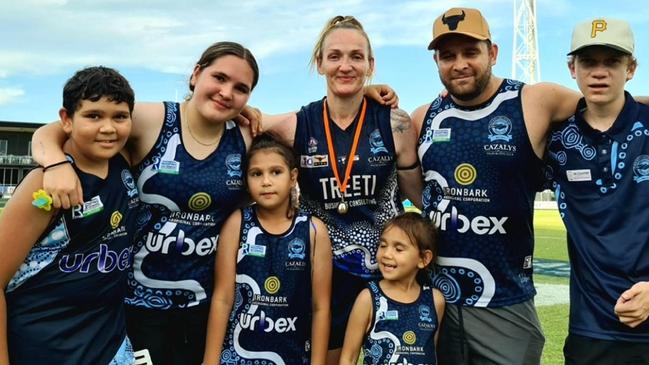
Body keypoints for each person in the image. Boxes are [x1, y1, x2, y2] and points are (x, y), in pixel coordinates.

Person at [31, 41, 259, 365]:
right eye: (219, 78)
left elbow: (317, 115)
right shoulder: (154, 118)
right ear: (196, 74)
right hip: (134, 303)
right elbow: (56, 129)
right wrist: (54, 163)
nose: (226, 92)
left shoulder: (247, 135)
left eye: (241, 88)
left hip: (204, 305)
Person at [411, 7, 591, 365]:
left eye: (470, 52)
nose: (459, 64)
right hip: (435, 302)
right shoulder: (423, 117)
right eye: (448, 56)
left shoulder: (535, 101)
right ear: (436, 62)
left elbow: (614, 109)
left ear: (492, 53)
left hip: (505, 301)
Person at [254, 15, 422, 364]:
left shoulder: (396, 122)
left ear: (370, 65)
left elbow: (419, 196)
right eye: (335, 57)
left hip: (389, 270)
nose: (345, 66)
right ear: (320, 64)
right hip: (324, 273)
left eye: (356, 57)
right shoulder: (297, 124)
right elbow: (244, 118)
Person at [0, 66, 138, 365]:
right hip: (45, 348)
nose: (108, 128)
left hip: (110, 346)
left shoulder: (125, 160)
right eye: (93, 116)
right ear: (66, 119)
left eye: (119, 116)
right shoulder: (44, 186)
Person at [545, 18, 649, 364]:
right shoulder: (556, 141)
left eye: (612, 61)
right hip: (591, 330)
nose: (599, 72)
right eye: (589, 62)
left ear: (631, 68)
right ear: (572, 68)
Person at [202, 134, 332, 365]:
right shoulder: (237, 223)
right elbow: (222, 298)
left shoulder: (313, 230)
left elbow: (320, 307)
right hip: (238, 356)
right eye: (256, 174)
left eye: (276, 172)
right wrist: (210, 360)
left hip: (292, 356)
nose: (266, 182)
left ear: (293, 177)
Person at [339, 212, 445, 365]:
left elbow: (431, 352)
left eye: (399, 249)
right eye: (383, 245)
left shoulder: (435, 300)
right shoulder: (368, 298)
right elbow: (348, 358)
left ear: (423, 259)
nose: (386, 254)